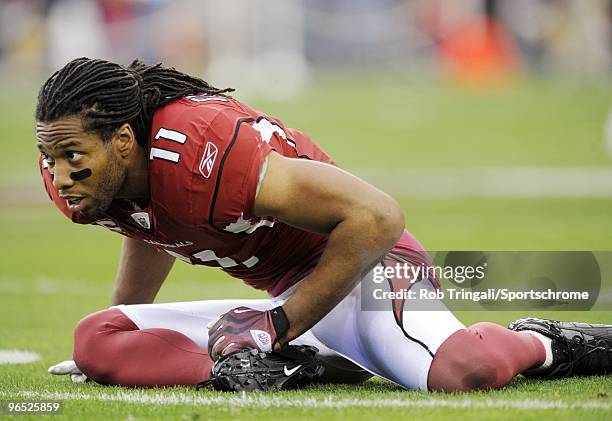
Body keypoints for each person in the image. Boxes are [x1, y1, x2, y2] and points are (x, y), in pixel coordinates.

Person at [37, 58, 612, 391]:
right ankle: (295, 365)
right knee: (98, 339)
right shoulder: (100, 176)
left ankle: (548, 340)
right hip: (292, 302)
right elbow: (154, 226)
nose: (60, 175)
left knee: (469, 368)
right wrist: (127, 338)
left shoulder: (203, 151)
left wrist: (277, 322)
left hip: (369, 272)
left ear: (123, 140)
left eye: (70, 156)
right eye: (50, 157)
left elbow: (378, 216)